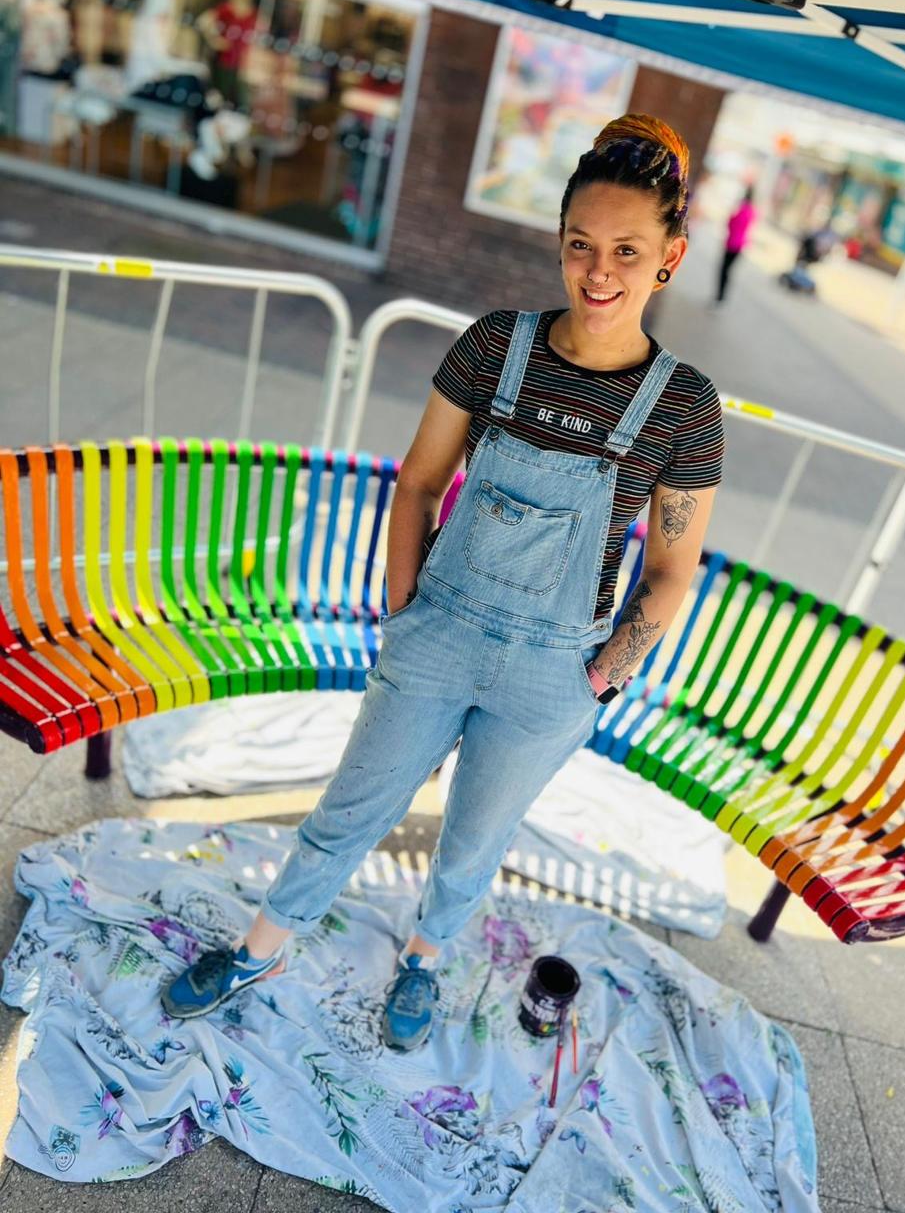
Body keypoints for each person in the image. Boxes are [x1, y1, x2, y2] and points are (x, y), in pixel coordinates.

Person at [161, 112, 725, 1053]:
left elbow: (670, 572)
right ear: (559, 241)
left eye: (628, 250)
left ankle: (422, 962)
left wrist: (596, 679)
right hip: (440, 631)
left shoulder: (684, 406)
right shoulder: (496, 344)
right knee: (350, 808)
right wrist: (403, 609)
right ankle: (263, 947)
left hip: (555, 671)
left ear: (670, 256)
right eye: (581, 244)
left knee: (473, 841)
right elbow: (419, 482)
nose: (599, 272)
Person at [715, 184, 757, 303]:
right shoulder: (752, 211)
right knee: (728, 271)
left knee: (724, 271)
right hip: (741, 245)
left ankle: (719, 296)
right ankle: (722, 297)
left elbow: (730, 223)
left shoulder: (741, 209)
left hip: (732, 243)